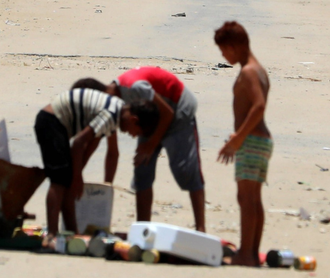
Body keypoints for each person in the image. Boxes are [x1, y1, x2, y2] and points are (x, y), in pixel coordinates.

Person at [75, 67, 205, 232]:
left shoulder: (134, 87)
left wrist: (150, 145)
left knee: (186, 170)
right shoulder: (113, 107)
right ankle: (143, 228)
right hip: (149, 118)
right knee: (142, 169)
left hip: (177, 109)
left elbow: (168, 113)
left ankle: (201, 227)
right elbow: (109, 150)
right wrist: (104, 190)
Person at [34, 86, 159, 244]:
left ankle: (73, 234)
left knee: (67, 181)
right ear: (134, 120)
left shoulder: (116, 112)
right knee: (59, 180)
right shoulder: (111, 115)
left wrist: (74, 175)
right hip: (51, 122)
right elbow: (79, 143)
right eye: (136, 132)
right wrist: (77, 177)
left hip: (57, 125)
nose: (132, 135)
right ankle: (51, 235)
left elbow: (91, 144)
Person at [214, 21, 272, 267]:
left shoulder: (248, 71)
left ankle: (247, 254)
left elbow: (258, 107)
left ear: (234, 46)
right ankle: (251, 252)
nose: (223, 55)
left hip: (252, 140)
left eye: (224, 50)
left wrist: (238, 139)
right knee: (252, 198)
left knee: (246, 198)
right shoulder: (258, 69)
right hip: (259, 140)